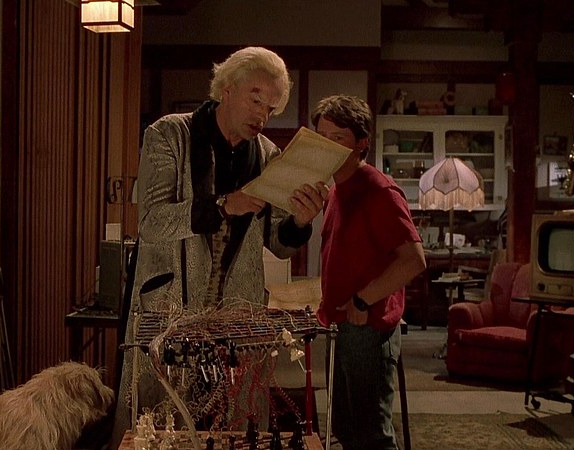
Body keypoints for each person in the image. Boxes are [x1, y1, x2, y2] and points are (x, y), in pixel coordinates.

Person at [111, 46, 328, 446]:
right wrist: (225, 205)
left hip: (236, 317)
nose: (262, 116)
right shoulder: (169, 134)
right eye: (256, 100)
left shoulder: (268, 155)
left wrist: (300, 221)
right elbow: (152, 223)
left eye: (271, 108)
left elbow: (278, 243)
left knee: (236, 429)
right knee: (159, 429)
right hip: (170, 307)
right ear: (226, 89)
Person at [312, 95, 426, 450]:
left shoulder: (378, 189)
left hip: (367, 326)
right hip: (342, 323)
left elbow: (414, 260)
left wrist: (363, 300)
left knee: (372, 437)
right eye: (322, 137)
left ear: (361, 143)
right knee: (346, 431)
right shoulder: (336, 189)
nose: (327, 146)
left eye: (338, 138)